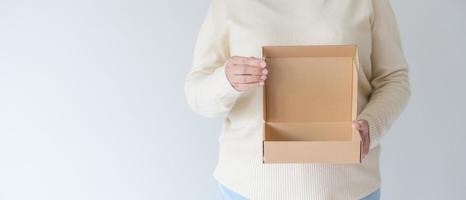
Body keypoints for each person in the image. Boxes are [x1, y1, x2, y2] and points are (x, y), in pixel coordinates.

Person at [185, 0, 410, 199]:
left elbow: (394, 78)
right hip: (247, 188)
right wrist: (226, 80)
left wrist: (372, 125)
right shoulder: (229, 4)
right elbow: (196, 94)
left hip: (348, 187)